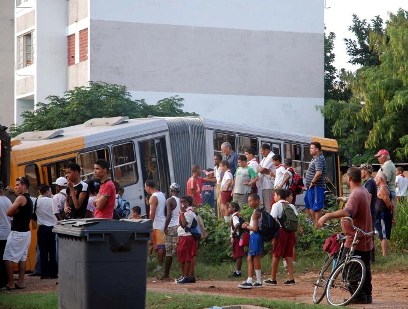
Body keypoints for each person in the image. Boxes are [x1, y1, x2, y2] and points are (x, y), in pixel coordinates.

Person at [317, 167, 373, 304]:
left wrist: (327, 216)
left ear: (350, 179)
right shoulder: (363, 191)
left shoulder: (356, 194)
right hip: (365, 238)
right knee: (364, 269)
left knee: (349, 270)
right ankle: (366, 296)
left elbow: (348, 212)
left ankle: (358, 297)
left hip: (354, 239)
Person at [3, 177, 33, 290]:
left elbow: (9, 213)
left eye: (18, 185)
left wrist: (14, 208)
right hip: (26, 233)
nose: (16, 187)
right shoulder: (28, 198)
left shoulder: (20, 198)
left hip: (17, 233)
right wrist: (14, 194)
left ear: (24, 186)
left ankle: (11, 283)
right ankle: (20, 282)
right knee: (22, 258)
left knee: (7, 257)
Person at [264, 189, 298, 286]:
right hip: (290, 232)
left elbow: (272, 218)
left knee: (276, 254)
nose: (274, 197)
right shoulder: (291, 206)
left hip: (280, 231)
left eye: (275, 195)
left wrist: (271, 234)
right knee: (288, 256)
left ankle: (273, 278)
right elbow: (296, 218)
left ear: (279, 196)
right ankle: (291, 279)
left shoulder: (276, 205)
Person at [239, 193, 263, 289]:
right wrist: (249, 224)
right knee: (254, 257)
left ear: (257, 201)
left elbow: (255, 228)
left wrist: (247, 226)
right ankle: (258, 280)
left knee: (251, 257)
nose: (249, 203)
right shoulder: (257, 211)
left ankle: (250, 280)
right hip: (257, 236)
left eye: (250, 201)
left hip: (255, 236)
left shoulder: (256, 213)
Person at [35, 184, 58, 279]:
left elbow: (33, 214)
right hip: (52, 228)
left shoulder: (36, 201)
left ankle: (44, 273)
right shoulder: (53, 201)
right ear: (48, 191)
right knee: (53, 251)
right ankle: (53, 273)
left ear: (40, 191)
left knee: (43, 251)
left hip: (42, 228)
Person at [145, 179, 167, 273]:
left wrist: (149, 224)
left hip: (158, 224)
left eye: (145, 187)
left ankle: (160, 266)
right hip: (162, 223)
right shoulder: (161, 194)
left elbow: (152, 213)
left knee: (160, 246)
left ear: (148, 187)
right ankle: (159, 264)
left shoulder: (153, 197)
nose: (145, 188)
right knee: (157, 245)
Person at [176, 196, 198, 284]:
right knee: (182, 257)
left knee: (187, 257)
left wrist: (181, 212)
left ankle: (186, 276)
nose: (181, 204)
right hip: (182, 236)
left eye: (183, 202)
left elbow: (185, 224)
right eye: (181, 202)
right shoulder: (185, 212)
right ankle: (184, 275)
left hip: (187, 236)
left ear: (187, 203)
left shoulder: (190, 213)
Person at [304, 142, 327, 227]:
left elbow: (319, 172)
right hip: (311, 187)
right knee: (308, 205)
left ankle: (317, 227)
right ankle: (314, 225)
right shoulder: (315, 158)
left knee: (316, 208)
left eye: (312, 148)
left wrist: (312, 182)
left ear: (317, 149)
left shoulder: (319, 159)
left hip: (317, 187)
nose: (310, 150)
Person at [162, 183, 181, 280]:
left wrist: (165, 227)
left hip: (171, 227)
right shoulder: (181, 200)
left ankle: (166, 275)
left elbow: (168, 215)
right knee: (178, 251)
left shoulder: (170, 200)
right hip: (179, 227)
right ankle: (185, 273)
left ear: (171, 191)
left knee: (169, 252)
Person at [360, 164, 377, 263]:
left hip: (369, 213)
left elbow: (368, 198)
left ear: (366, 171)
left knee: (368, 234)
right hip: (368, 212)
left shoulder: (370, 183)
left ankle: (370, 258)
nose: (360, 172)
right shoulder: (367, 182)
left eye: (362, 170)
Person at [374, 171, 393, 257]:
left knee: (383, 235)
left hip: (383, 215)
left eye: (376, 178)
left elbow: (389, 204)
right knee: (383, 234)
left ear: (381, 179)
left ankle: (385, 255)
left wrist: (390, 214)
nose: (375, 180)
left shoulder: (383, 189)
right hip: (381, 215)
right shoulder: (385, 188)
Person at [228, 202, 245, 278]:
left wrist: (233, 233)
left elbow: (237, 224)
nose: (228, 209)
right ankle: (238, 270)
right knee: (238, 254)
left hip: (237, 237)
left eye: (229, 207)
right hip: (238, 236)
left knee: (238, 255)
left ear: (234, 208)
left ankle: (238, 271)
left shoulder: (234, 216)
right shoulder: (238, 215)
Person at [0, 182, 12, 289]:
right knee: (5, 258)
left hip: (0, 233)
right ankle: (5, 280)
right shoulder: (8, 200)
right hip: (7, 232)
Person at [257, 144, 275, 212]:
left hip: (269, 185)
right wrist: (261, 169)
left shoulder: (271, 157)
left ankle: (270, 221)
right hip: (264, 185)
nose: (261, 153)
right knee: (265, 206)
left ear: (267, 150)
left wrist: (261, 169)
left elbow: (262, 169)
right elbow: (258, 168)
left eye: (262, 151)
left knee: (268, 206)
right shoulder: (265, 157)